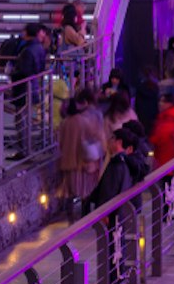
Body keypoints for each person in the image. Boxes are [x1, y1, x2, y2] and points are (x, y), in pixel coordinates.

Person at [57, 88, 106, 220]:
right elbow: (93, 138)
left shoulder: (64, 123)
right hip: (82, 162)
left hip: (67, 162)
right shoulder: (84, 121)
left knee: (69, 191)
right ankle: (85, 216)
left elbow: (60, 142)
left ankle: (70, 216)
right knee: (85, 191)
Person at [87, 127, 148, 208]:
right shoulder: (132, 162)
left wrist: (104, 211)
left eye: (112, 138)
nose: (109, 141)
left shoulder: (118, 163)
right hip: (126, 211)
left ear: (119, 142)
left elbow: (109, 190)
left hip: (111, 212)